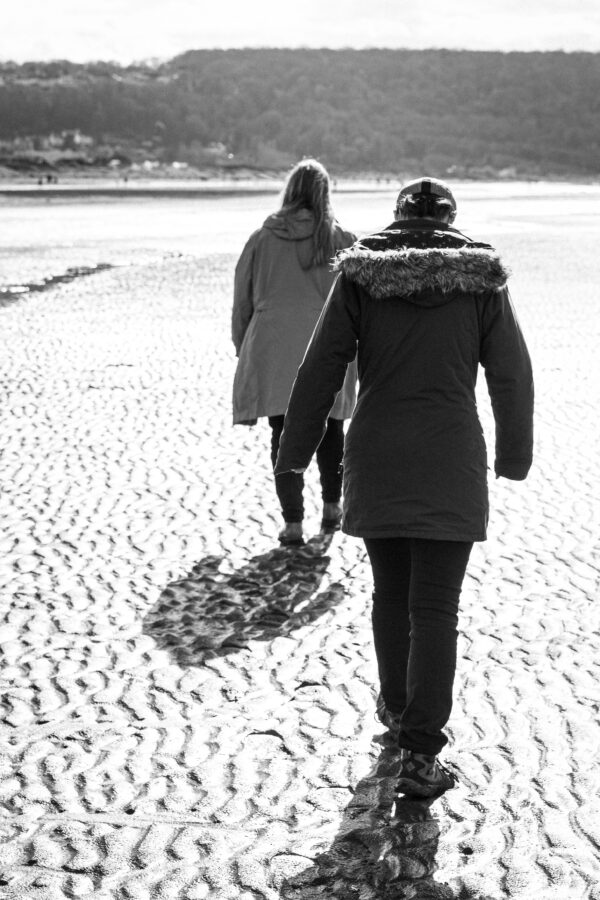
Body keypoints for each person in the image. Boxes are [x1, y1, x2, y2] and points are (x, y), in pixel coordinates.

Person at [275, 177, 534, 797]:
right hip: (450, 455)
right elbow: (511, 372)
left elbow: (321, 365)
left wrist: (295, 449)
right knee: (436, 607)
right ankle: (421, 754)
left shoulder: (361, 274)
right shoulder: (480, 278)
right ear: (453, 219)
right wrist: (514, 454)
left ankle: (397, 716)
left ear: (395, 220)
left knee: (390, 595)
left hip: (380, 452)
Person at [232, 158, 357, 546]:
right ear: (325, 194)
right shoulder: (342, 240)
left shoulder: (261, 238)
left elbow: (242, 301)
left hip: (273, 346)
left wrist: (244, 347)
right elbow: (362, 304)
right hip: (329, 346)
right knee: (331, 427)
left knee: (283, 432)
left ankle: (292, 523)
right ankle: (333, 507)